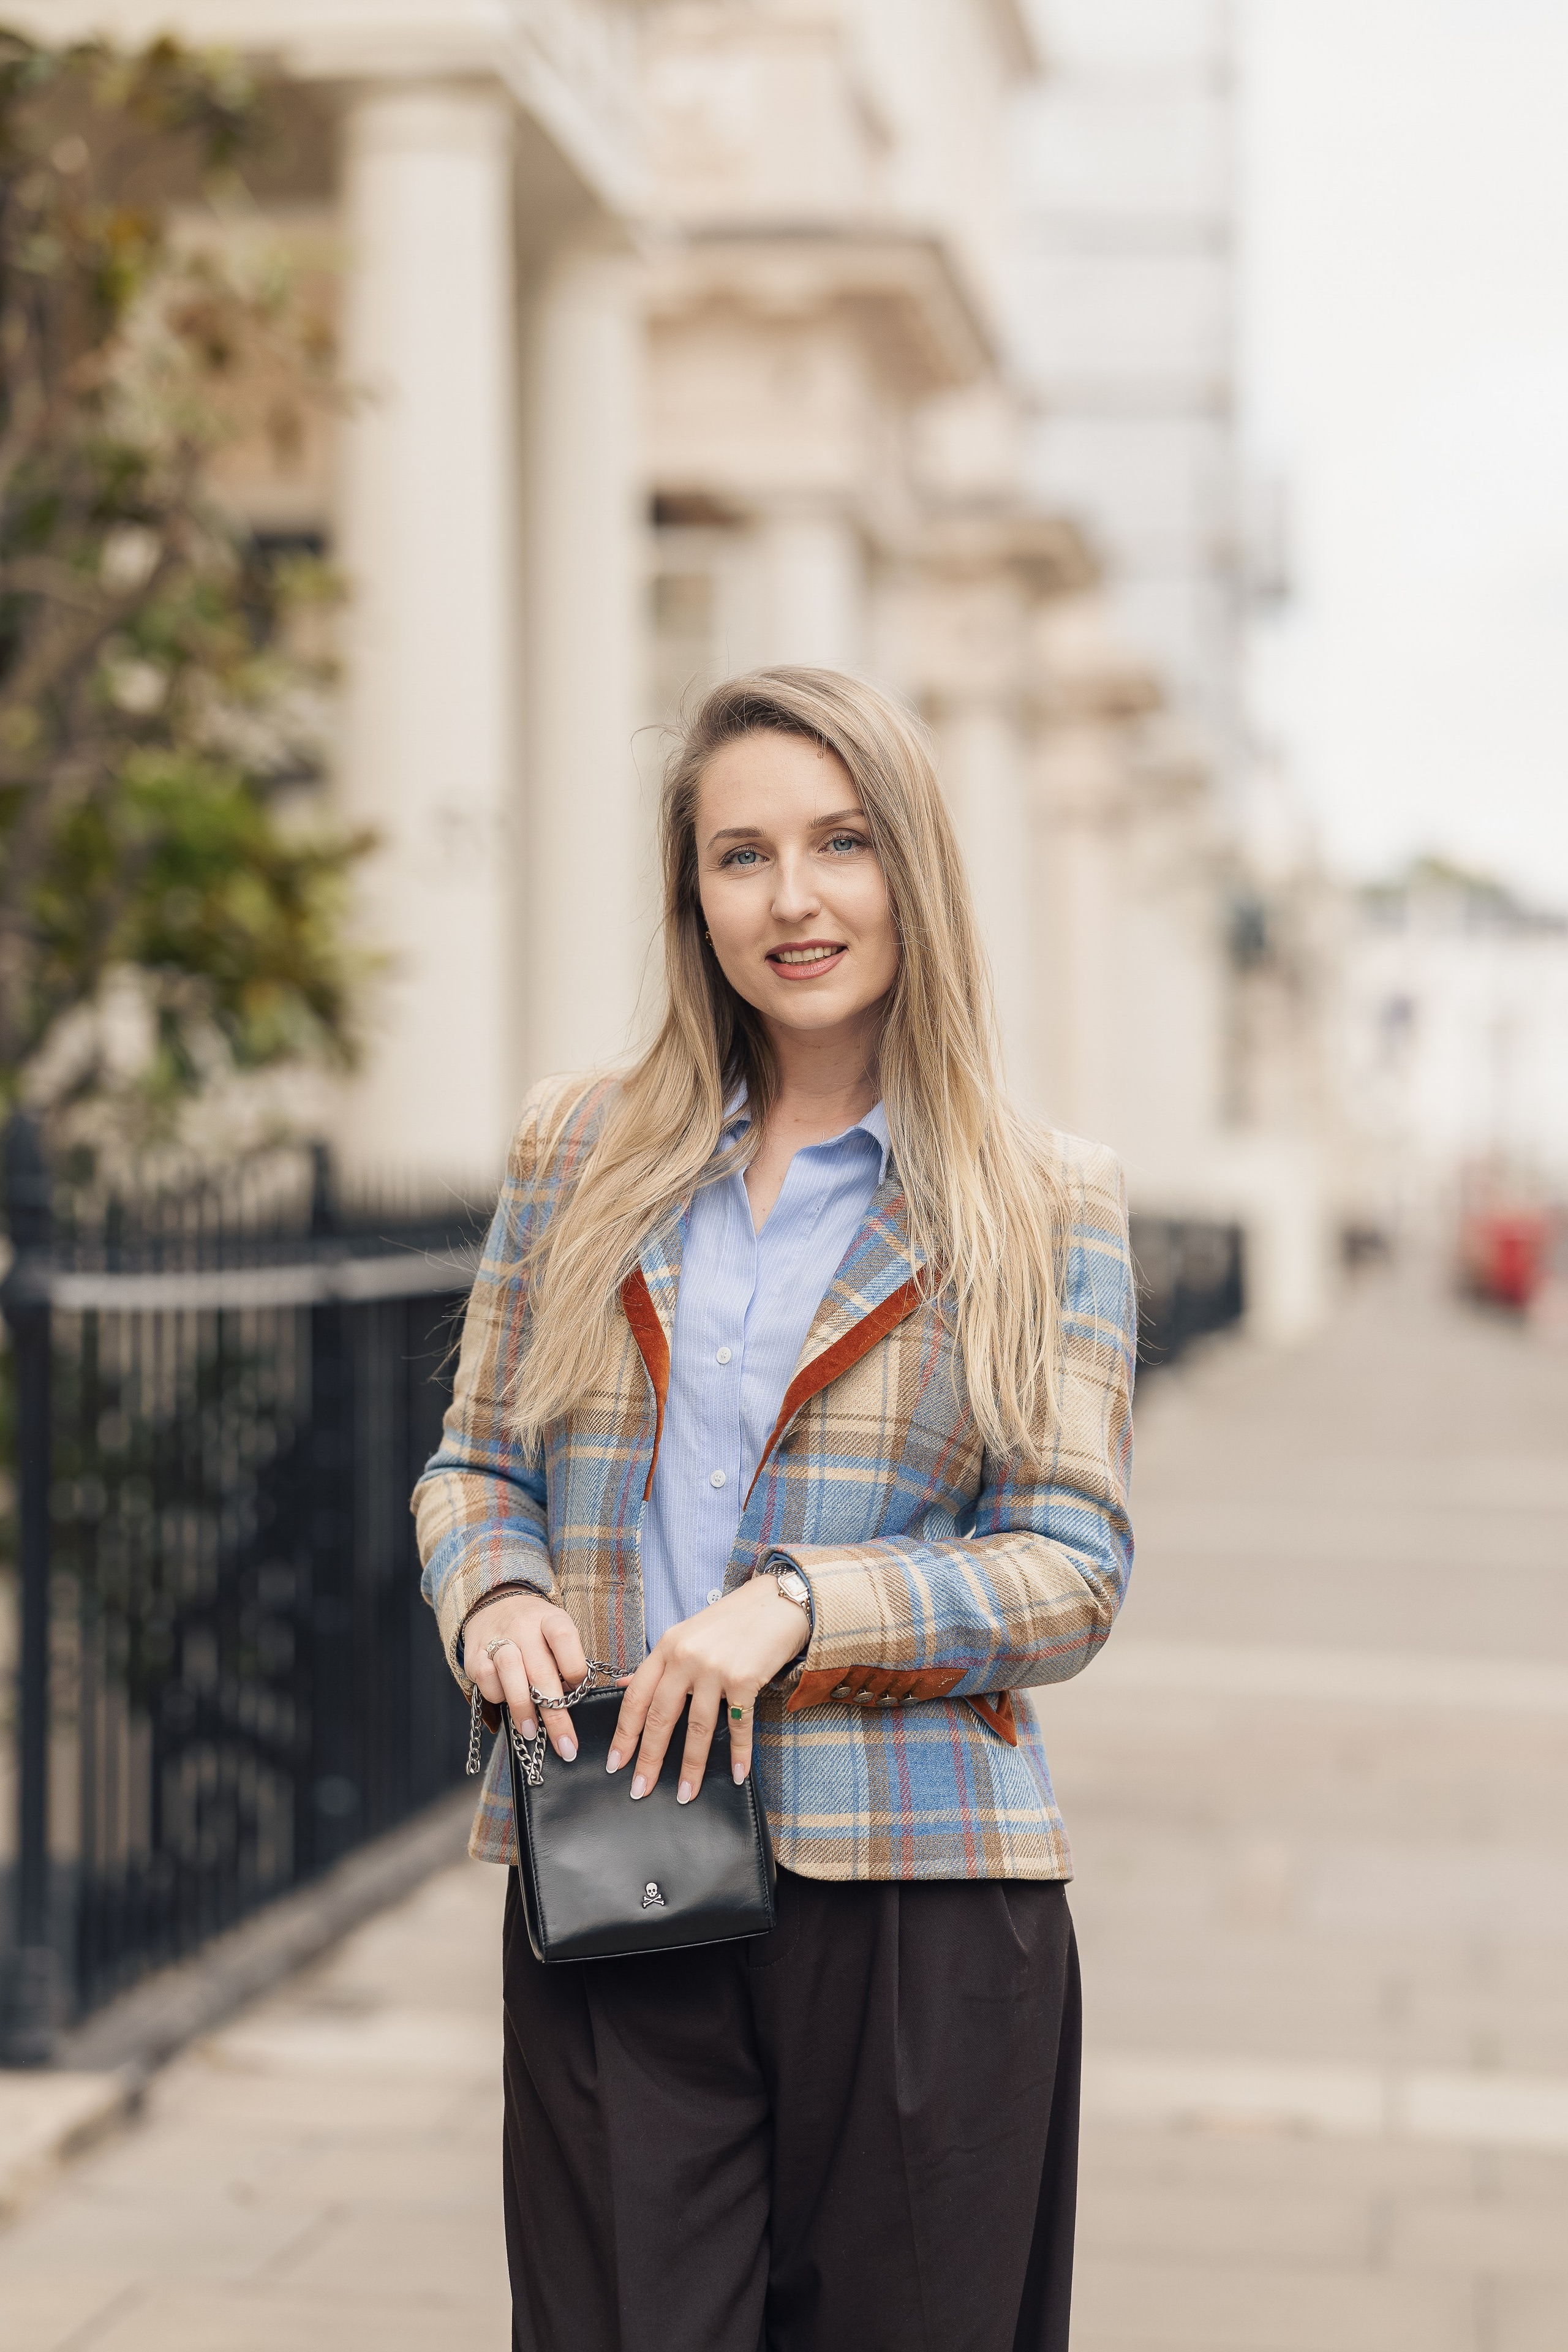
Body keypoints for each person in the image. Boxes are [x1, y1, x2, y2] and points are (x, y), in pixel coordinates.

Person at [413, 667, 1136, 2352]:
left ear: (914, 868)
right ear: (695, 897)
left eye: (841, 843)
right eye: (742, 856)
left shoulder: (1045, 1201)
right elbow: (477, 1466)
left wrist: (801, 1609)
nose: (793, 898)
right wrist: (496, 1594)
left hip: (918, 1896)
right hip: (617, 1855)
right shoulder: (581, 1150)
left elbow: (1071, 1569)